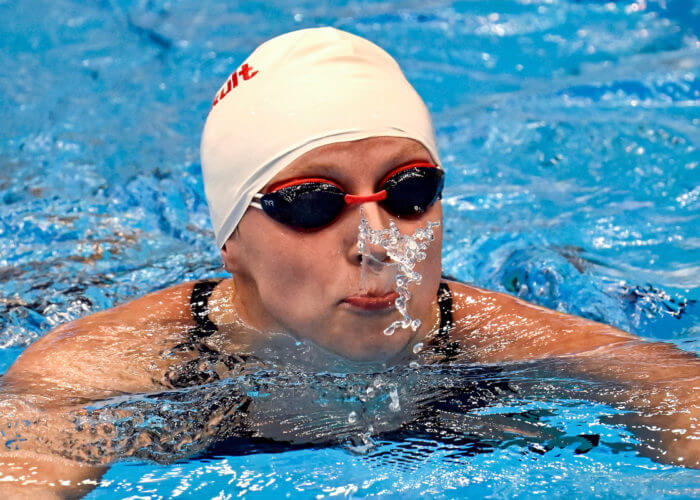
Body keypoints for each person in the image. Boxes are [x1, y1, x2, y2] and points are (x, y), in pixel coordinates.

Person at [0, 27, 697, 499]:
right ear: (232, 238)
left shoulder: (505, 340)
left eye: (409, 191)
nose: (375, 241)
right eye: (310, 203)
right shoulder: (102, 372)